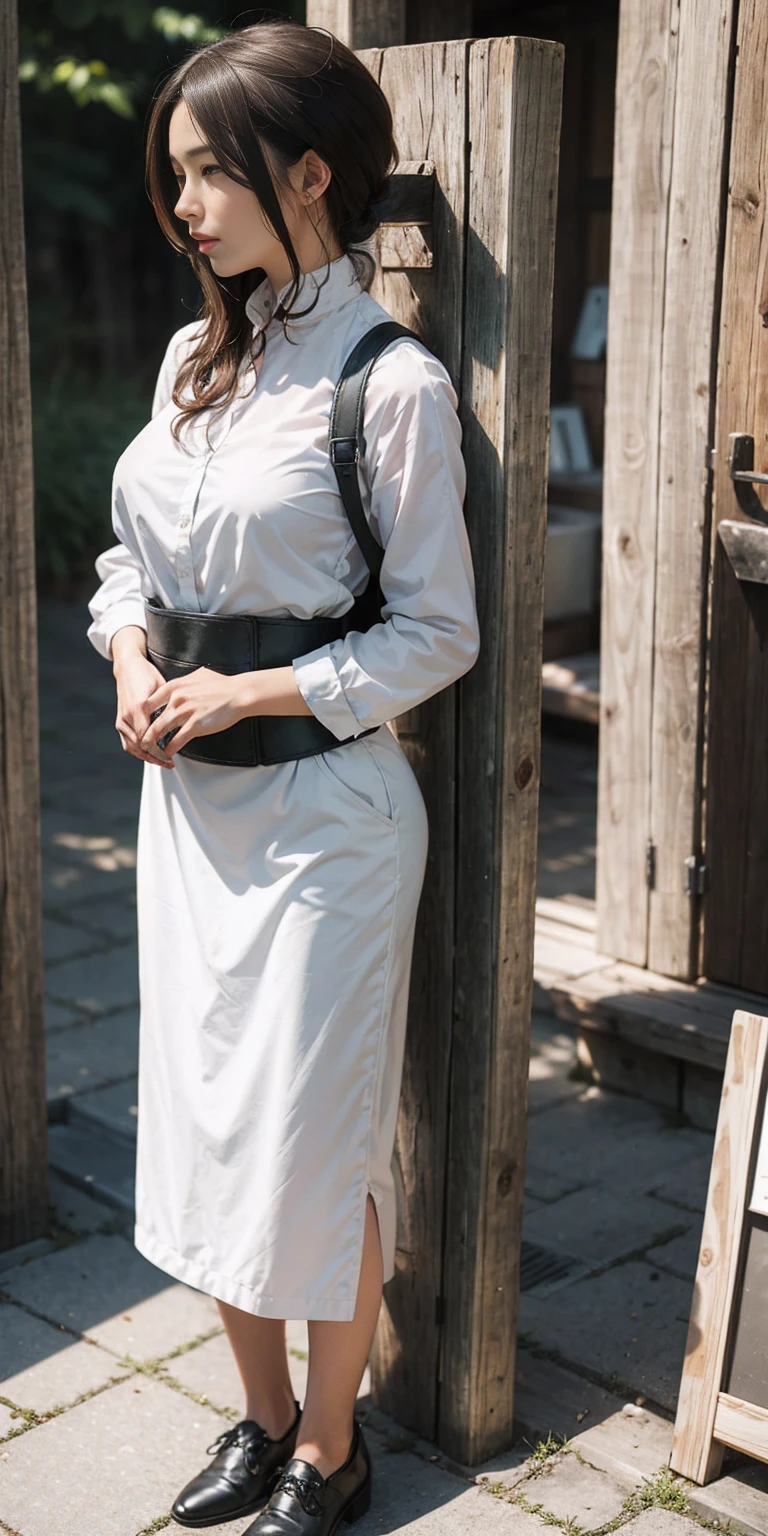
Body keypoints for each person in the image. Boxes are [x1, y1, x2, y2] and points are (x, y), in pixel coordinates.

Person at [86, 19, 479, 1536]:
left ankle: (335, 1447)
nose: (184, 203)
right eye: (173, 174)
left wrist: (248, 685)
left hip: (326, 817)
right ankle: (257, 1421)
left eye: (209, 172)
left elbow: (436, 630)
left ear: (308, 172)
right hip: (188, 816)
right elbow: (132, 559)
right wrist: (130, 662)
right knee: (203, 1117)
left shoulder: (390, 384)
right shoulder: (197, 353)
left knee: (315, 1132)